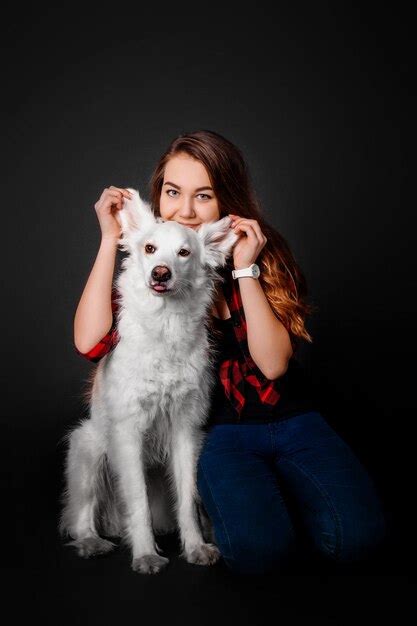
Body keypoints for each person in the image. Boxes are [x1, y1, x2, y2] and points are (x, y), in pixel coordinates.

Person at [73, 129, 388, 575]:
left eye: (203, 195)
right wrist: (110, 238)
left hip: (292, 418)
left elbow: (274, 364)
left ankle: (289, 493)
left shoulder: (254, 252)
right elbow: (90, 343)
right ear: (158, 196)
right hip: (225, 432)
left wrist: (245, 267)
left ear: (226, 198)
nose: (185, 209)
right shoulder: (151, 262)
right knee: (259, 552)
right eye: (172, 192)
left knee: (357, 539)